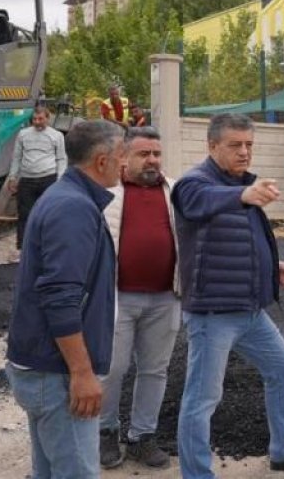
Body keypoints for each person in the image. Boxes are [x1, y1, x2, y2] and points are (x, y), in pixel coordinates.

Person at [171, 113, 284, 479]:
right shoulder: (194, 184)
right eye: (235, 145)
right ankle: (196, 474)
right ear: (212, 146)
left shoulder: (244, 184)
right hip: (212, 314)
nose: (244, 151)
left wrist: (272, 266)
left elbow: (239, 241)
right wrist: (243, 194)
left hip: (250, 311)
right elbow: (198, 201)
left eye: (249, 144)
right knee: (202, 399)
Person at [5, 119, 126, 478]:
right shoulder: (74, 208)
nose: (126, 163)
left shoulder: (67, 198)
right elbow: (60, 296)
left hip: (46, 368)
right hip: (56, 373)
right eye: (122, 155)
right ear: (102, 161)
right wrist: (82, 373)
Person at [98, 127, 179, 470]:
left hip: (165, 297)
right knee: (112, 369)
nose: (152, 160)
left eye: (157, 154)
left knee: (155, 370)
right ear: (124, 157)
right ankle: (105, 431)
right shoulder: (107, 193)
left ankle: (142, 436)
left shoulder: (174, 190)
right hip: (117, 297)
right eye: (144, 154)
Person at [8, 106, 67, 257]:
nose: (37, 122)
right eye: (35, 119)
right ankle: (23, 249)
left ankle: (51, 248)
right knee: (25, 215)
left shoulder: (57, 136)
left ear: (48, 118)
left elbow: (61, 159)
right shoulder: (23, 135)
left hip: (49, 179)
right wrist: (13, 177)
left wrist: (60, 180)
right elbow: (17, 157)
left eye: (41, 119)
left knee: (50, 214)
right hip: (27, 180)